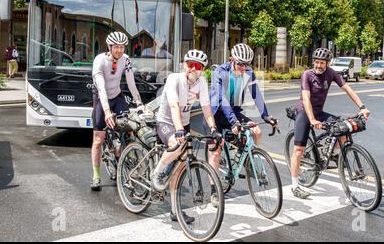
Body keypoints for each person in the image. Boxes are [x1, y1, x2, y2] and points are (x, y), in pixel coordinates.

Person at [150, 49, 222, 224]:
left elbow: (206, 108)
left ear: (202, 69)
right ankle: (157, 173)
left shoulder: (202, 82)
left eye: (198, 66)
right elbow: (174, 106)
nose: (193, 69)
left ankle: (175, 210)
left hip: (184, 123)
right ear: (184, 65)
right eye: (190, 65)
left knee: (181, 165)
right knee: (177, 144)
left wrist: (213, 129)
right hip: (167, 122)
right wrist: (179, 129)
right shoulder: (174, 79)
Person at [290, 48, 370, 199]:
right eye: (317, 62)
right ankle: (295, 186)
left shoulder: (331, 73)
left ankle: (333, 152)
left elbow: (347, 89)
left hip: (319, 112)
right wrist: (312, 119)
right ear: (314, 61)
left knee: (344, 129)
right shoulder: (307, 75)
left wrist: (362, 107)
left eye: (322, 63)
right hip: (304, 113)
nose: (319, 65)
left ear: (327, 63)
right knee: (298, 151)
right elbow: (306, 98)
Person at [90, 31, 144, 191]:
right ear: (110, 47)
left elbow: (131, 83)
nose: (119, 50)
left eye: (122, 47)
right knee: (98, 139)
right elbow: (101, 89)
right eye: (116, 47)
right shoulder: (99, 61)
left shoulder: (125, 60)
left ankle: (125, 157)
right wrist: (107, 112)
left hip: (117, 96)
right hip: (101, 98)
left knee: (130, 129)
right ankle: (96, 175)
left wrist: (139, 103)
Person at [207, 43, 277, 150]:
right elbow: (222, 99)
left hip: (233, 112)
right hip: (215, 114)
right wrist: (234, 121)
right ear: (232, 60)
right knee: (216, 152)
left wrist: (265, 115)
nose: (244, 68)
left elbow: (256, 94)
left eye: (247, 64)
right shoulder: (220, 72)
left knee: (256, 132)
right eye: (240, 64)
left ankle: (249, 161)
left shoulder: (248, 72)